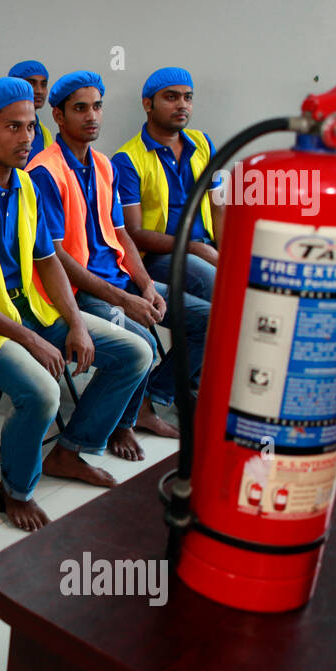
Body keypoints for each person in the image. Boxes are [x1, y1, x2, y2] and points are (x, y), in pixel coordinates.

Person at [0, 78, 154, 528]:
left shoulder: (25, 187)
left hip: (28, 312)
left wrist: (76, 323)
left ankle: (69, 451)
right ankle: (18, 489)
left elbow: (49, 263)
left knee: (135, 352)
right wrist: (30, 340)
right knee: (43, 392)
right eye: (13, 127)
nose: (27, 138)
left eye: (30, 127)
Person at [29, 71, 208, 460]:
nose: (92, 116)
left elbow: (122, 233)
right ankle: (98, 435)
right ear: (58, 117)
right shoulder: (45, 170)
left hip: (120, 281)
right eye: (80, 108)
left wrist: (143, 286)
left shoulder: (104, 165)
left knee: (206, 319)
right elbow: (56, 255)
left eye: (97, 106)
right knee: (142, 342)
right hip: (80, 291)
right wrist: (124, 301)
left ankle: (142, 405)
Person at [112, 66, 222, 300]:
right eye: (171, 97)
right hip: (157, 256)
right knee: (213, 282)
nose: (182, 105)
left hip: (206, 246)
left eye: (187, 97)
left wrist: (224, 251)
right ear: (147, 104)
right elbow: (135, 233)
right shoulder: (127, 159)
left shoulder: (202, 143)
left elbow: (217, 206)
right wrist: (194, 247)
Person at [7, 61, 55, 162]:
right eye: (32, 83)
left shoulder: (44, 132)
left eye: (43, 84)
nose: (39, 91)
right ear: (15, 87)